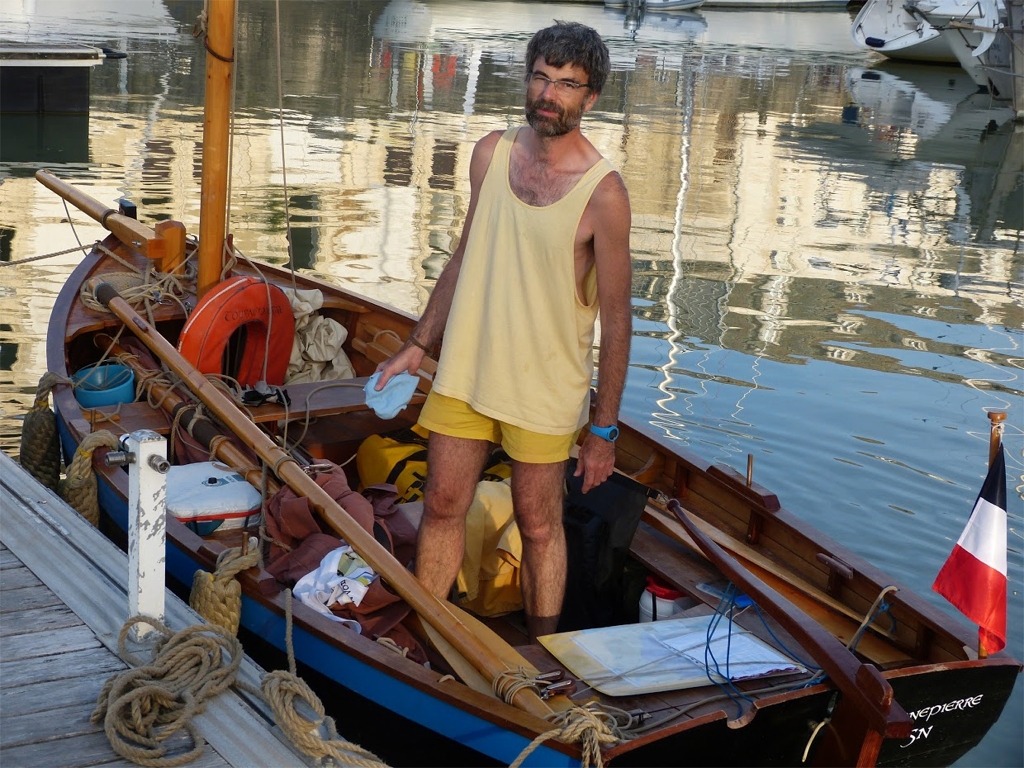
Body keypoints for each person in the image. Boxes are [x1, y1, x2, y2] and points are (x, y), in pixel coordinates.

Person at [375, 21, 631, 642]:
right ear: (527, 79)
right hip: (466, 370)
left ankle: (544, 651)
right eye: (541, 77)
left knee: (539, 525)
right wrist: (417, 344)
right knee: (441, 507)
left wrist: (602, 429)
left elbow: (618, 320)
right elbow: (465, 256)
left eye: (568, 85)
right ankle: (427, 636)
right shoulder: (489, 155)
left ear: (589, 98)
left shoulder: (605, 196)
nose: (550, 94)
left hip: (545, 390)